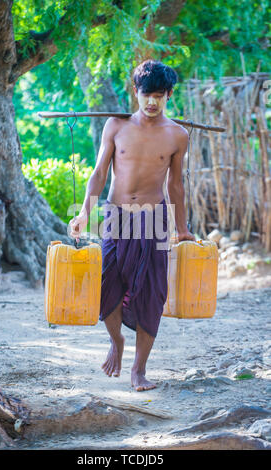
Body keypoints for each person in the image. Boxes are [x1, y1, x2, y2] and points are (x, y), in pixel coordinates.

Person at [68, 59, 195, 391]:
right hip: (116, 215)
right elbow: (98, 174)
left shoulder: (178, 135)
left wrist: (182, 229)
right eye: (145, 94)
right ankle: (116, 341)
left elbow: (176, 186)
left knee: (153, 292)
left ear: (168, 95)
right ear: (135, 93)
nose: (152, 102)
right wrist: (84, 213)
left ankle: (139, 370)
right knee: (107, 284)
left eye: (159, 95)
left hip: (154, 220)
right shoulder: (116, 126)